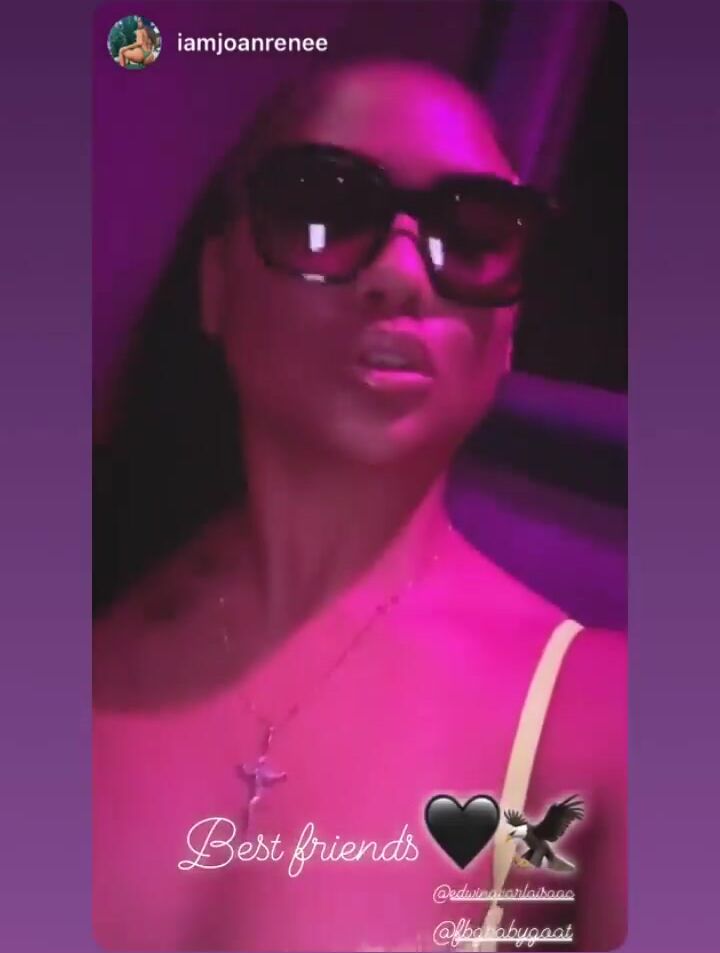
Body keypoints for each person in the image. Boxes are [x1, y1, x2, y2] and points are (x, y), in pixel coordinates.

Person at [93, 58, 626, 952]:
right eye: (325, 209)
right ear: (216, 282)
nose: (402, 276)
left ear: (509, 333)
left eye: (474, 231)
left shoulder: (616, 717)